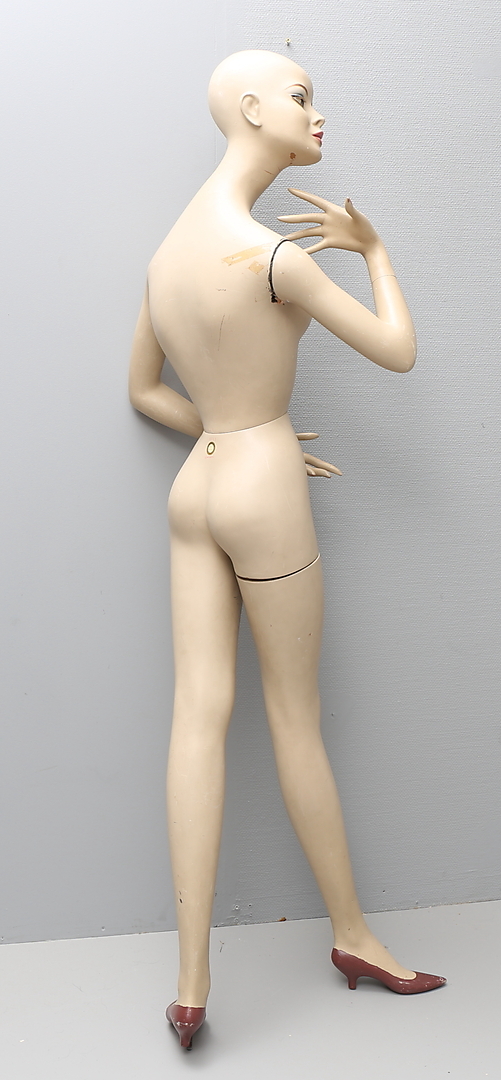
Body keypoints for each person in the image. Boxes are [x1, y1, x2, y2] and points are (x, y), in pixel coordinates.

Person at [128, 49, 445, 1051]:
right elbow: (397, 351)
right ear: (251, 109)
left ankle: (190, 986)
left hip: (197, 485)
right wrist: (372, 250)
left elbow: (142, 390)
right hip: (260, 484)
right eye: (303, 98)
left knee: (196, 716)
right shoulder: (274, 257)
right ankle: (353, 935)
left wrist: (225, 428)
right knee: (294, 720)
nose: (318, 116)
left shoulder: (166, 256)